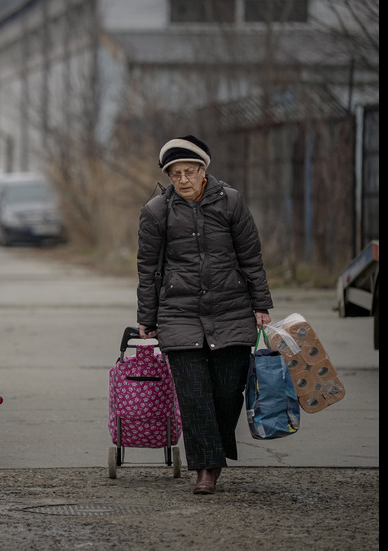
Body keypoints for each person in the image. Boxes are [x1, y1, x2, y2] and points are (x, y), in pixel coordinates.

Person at [136, 135, 273, 495]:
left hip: (232, 310)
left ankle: (213, 452)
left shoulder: (231, 202)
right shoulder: (156, 212)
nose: (182, 180)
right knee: (194, 396)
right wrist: (147, 317)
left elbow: (251, 258)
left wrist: (261, 305)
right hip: (179, 314)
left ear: (203, 171)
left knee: (228, 392)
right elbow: (148, 268)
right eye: (175, 173)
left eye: (189, 171)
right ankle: (206, 469)